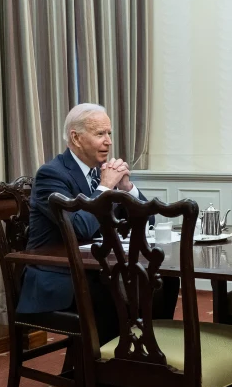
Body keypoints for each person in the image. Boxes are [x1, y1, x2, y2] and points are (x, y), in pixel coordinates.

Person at [17, 103, 177, 345]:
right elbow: (79, 228)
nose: (109, 142)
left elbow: (148, 220)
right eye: (100, 134)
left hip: (97, 267)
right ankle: (108, 373)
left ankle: (150, 358)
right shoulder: (52, 175)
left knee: (163, 279)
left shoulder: (98, 173)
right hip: (58, 275)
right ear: (76, 138)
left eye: (109, 133)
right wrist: (105, 188)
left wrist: (127, 189)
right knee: (109, 288)